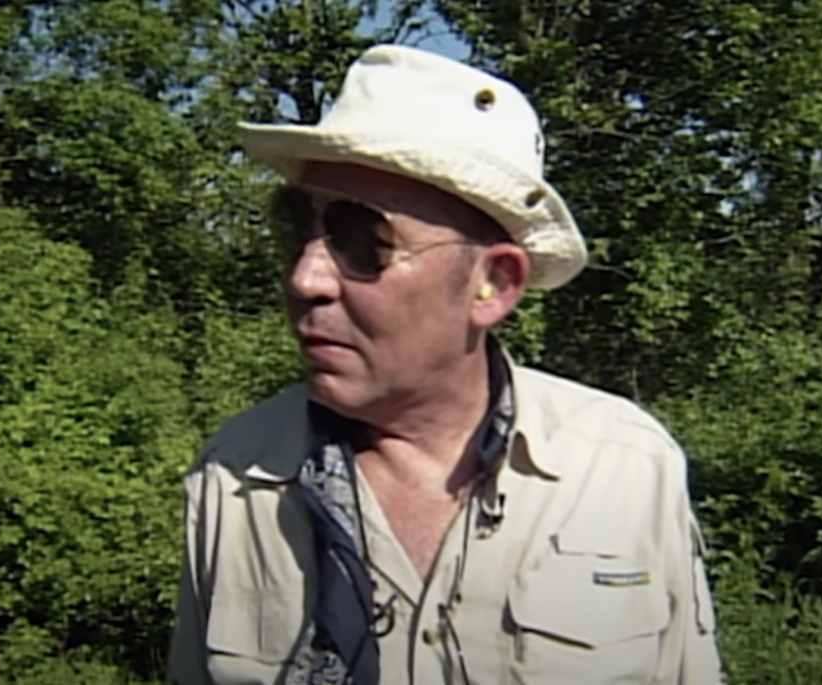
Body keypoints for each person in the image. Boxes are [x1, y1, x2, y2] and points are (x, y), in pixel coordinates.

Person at [165, 44, 725, 685]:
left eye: (361, 240)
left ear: (493, 283)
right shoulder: (234, 476)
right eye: (296, 228)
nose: (305, 276)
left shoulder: (627, 466)